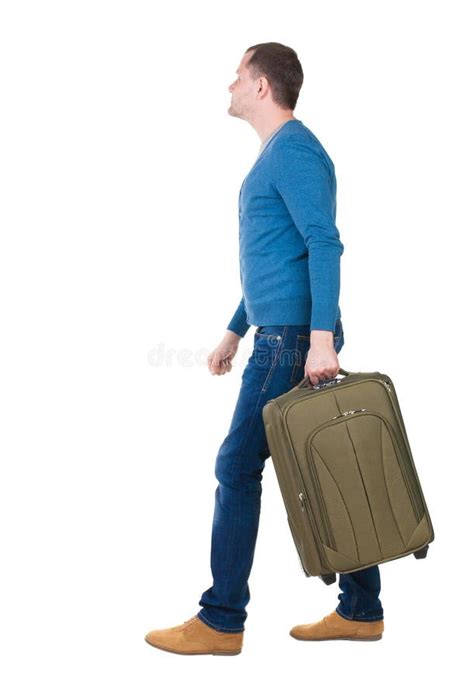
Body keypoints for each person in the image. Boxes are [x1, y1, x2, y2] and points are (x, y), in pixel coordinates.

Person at [145, 42, 384, 656]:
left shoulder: (295, 151)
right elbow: (276, 262)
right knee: (322, 463)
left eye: (238, 75)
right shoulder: (278, 156)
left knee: (236, 466)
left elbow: (324, 244)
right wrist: (234, 327)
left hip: (295, 342)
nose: (229, 84)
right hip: (284, 334)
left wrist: (321, 339)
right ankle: (361, 609)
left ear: (261, 87)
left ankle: (221, 621)